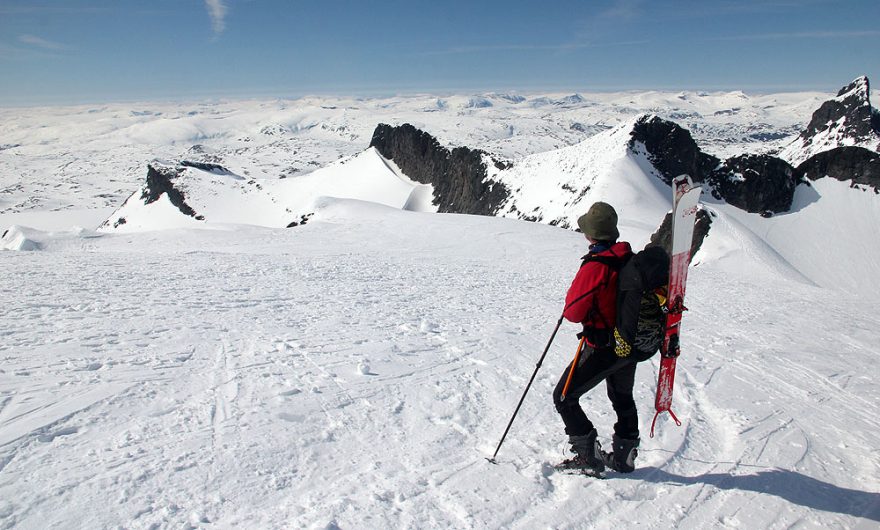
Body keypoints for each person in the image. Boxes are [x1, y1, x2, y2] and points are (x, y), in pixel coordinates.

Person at [553, 201, 641, 474]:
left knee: (564, 396)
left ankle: (588, 457)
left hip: (604, 345)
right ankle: (625, 457)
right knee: (622, 396)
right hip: (629, 342)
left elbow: (573, 311)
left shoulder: (597, 265)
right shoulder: (628, 257)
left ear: (591, 235)